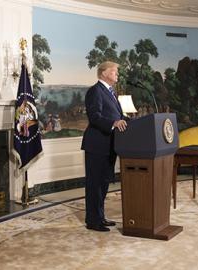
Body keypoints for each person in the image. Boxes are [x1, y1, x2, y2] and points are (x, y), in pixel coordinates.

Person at [81, 61, 127, 232]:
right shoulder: (95, 91)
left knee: (104, 183)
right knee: (95, 184)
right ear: (104, 73)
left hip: (109, 145)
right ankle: (93, 221)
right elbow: (94, 116)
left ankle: (100, 217)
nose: (117, 75)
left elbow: (119, 115)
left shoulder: (111, 92)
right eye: (115, 71)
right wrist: (113, 122)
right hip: (96, 145)